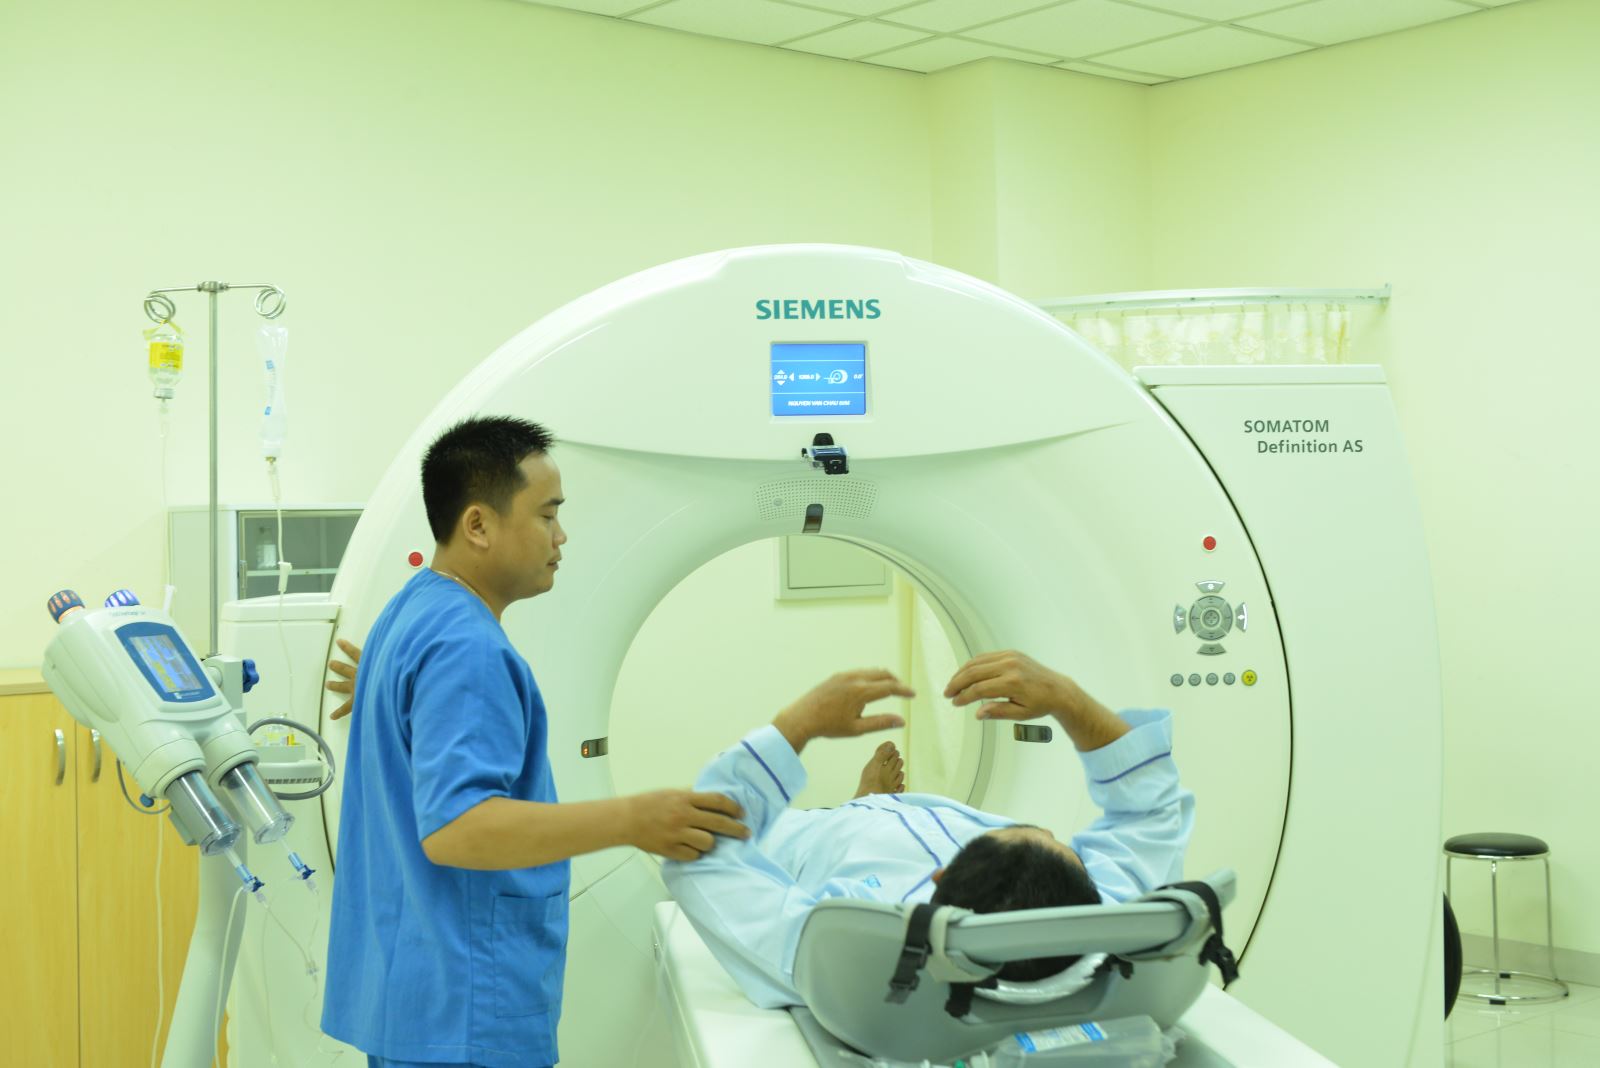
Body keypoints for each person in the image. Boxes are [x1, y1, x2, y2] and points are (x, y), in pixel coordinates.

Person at [321, 416, 749, 1068]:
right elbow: (457, 829)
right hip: (466, 1011)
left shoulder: (412, 611)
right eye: (547, 514)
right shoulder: (467, 647)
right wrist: (632, 819)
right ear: (478, 525)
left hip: (415, 999)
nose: (561, 534)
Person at [661, 650, 1194, 1008]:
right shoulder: (1097, 914)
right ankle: (875, 802)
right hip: (925, 815)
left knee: (736, 822)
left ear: (941, 878)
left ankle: (861, 807)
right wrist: (1066, 698)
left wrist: (796, 725)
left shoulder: (852, 945)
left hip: (821, 841)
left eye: (990, 832)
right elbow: (1149, 809)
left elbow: (699, 852)